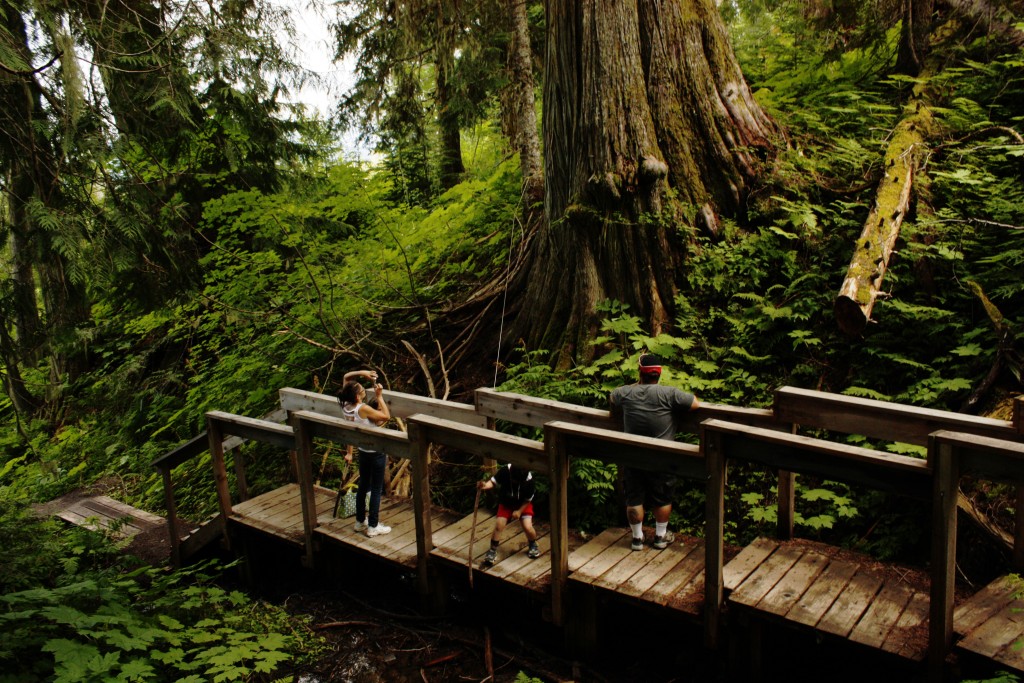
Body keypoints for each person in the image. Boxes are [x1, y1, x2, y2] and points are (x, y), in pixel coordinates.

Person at [609, 353, 701, 551]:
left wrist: (636, 385)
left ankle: (637, 539)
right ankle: (660, 536)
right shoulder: (669, 394)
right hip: (661, 458)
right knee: (662, 497)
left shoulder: (626, 393)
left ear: (640, 373)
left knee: (634, 497)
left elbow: (612, 396)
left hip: (633, 456)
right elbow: (695, 403)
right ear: (659, 374)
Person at [339, 369, 392, 537]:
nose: (364, 391)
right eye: (362, 390)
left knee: (363, 486)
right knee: (376, 489)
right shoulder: (363, 409)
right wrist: (379, 396)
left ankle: (360, 522)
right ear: (357, 397)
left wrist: (363, 373)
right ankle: (373, 526)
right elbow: (385, 416)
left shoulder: (345, 406)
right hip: (375, 452)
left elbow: (347, 377)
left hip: (362, 450)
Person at [477, 463, 541, 563]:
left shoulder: (529, 482)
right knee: (499, 525)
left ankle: (533, 544)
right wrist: (485, 486)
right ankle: (492, 550)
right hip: (506, 502)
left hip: (523, 504)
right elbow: (493, 482)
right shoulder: (505, 471)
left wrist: (519, 511)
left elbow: (528, 500)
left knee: (527, 526)